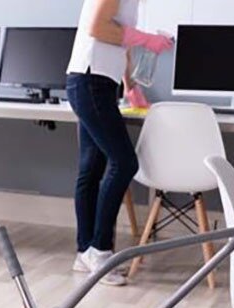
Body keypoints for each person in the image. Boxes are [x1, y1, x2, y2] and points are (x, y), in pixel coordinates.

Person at [65, 0, 173, 286]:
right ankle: (100, 251)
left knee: (92, 168)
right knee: (124, 163)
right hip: (91, 81)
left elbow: (119, 39)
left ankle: (85, 253)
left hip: (97, 83)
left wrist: (130, 86)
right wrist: (148, 40)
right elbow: (98, 28)